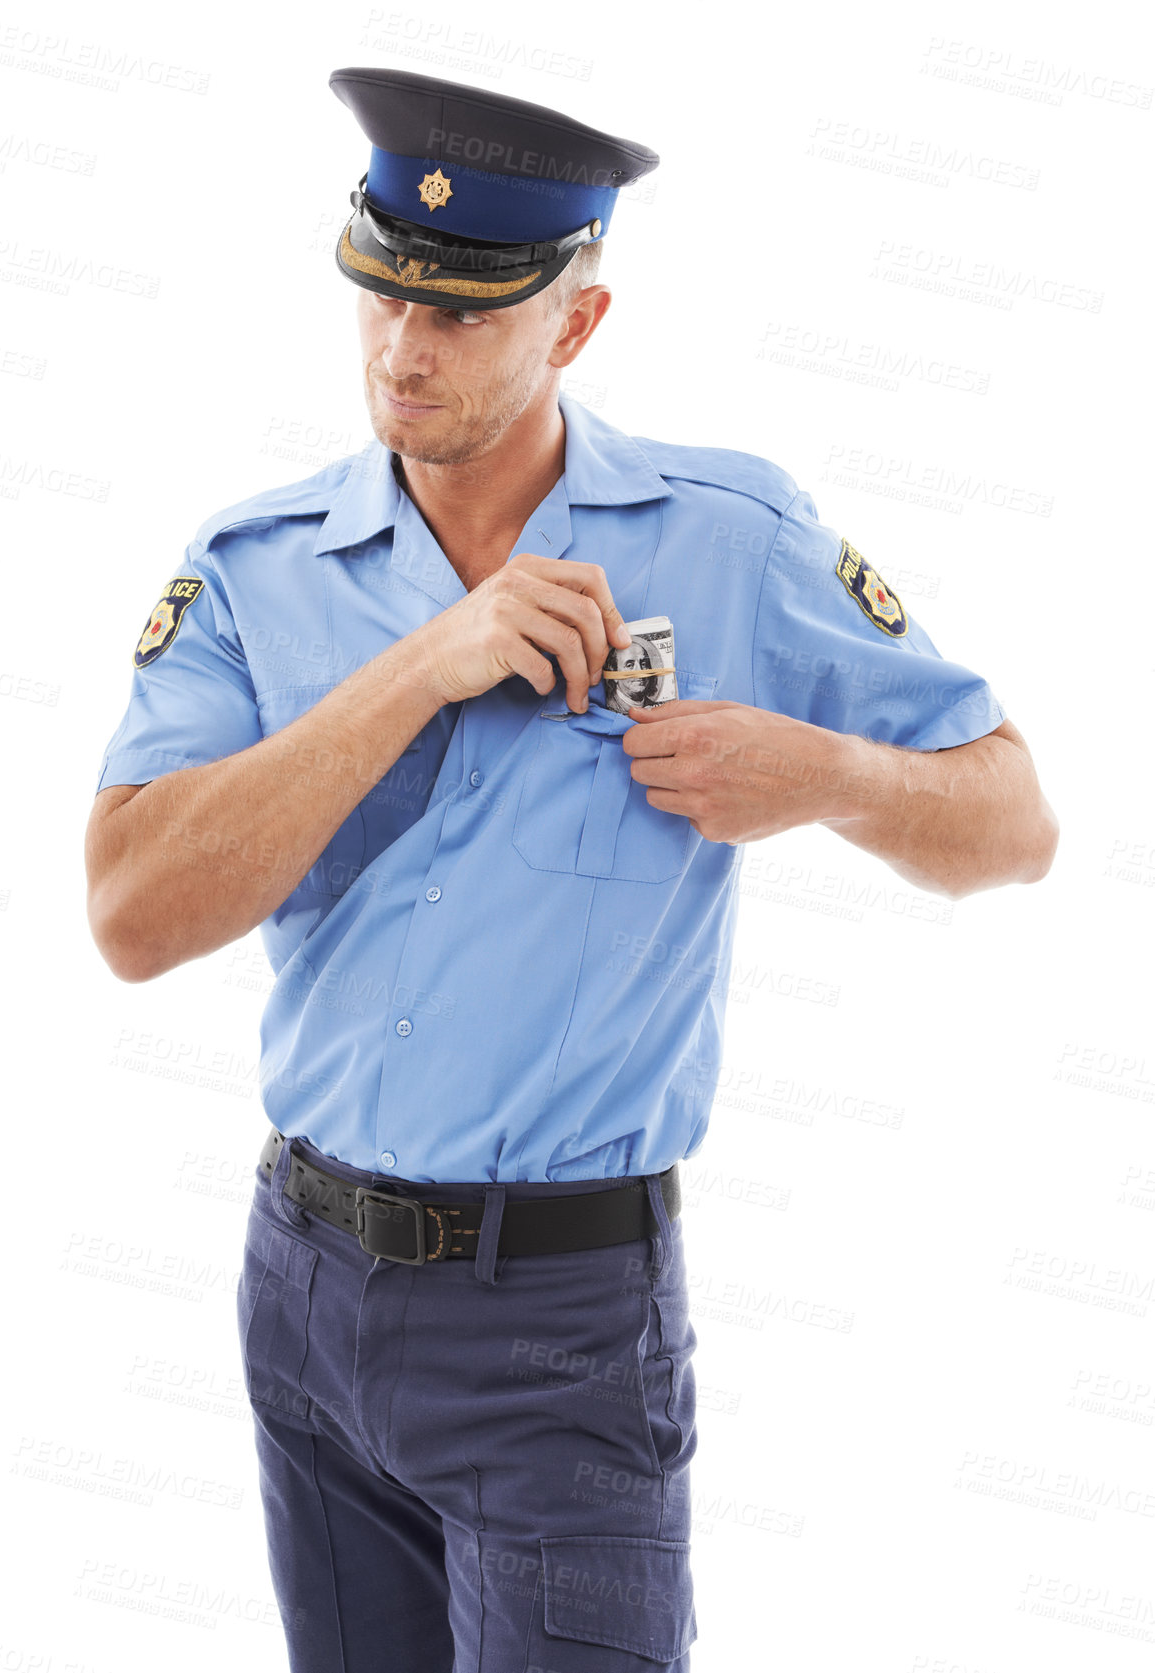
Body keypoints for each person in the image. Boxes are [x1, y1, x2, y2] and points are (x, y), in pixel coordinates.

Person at [84, 65, 1058, 1672]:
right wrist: (422, 667)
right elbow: (129, 916)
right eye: (384, 294)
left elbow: (1011, 819)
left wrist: (817, 773)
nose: (406, 347)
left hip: (556, 1323)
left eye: (462, 312)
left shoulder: (730, 537)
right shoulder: (253, 569)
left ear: (577, 323)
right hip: (301, 1286)